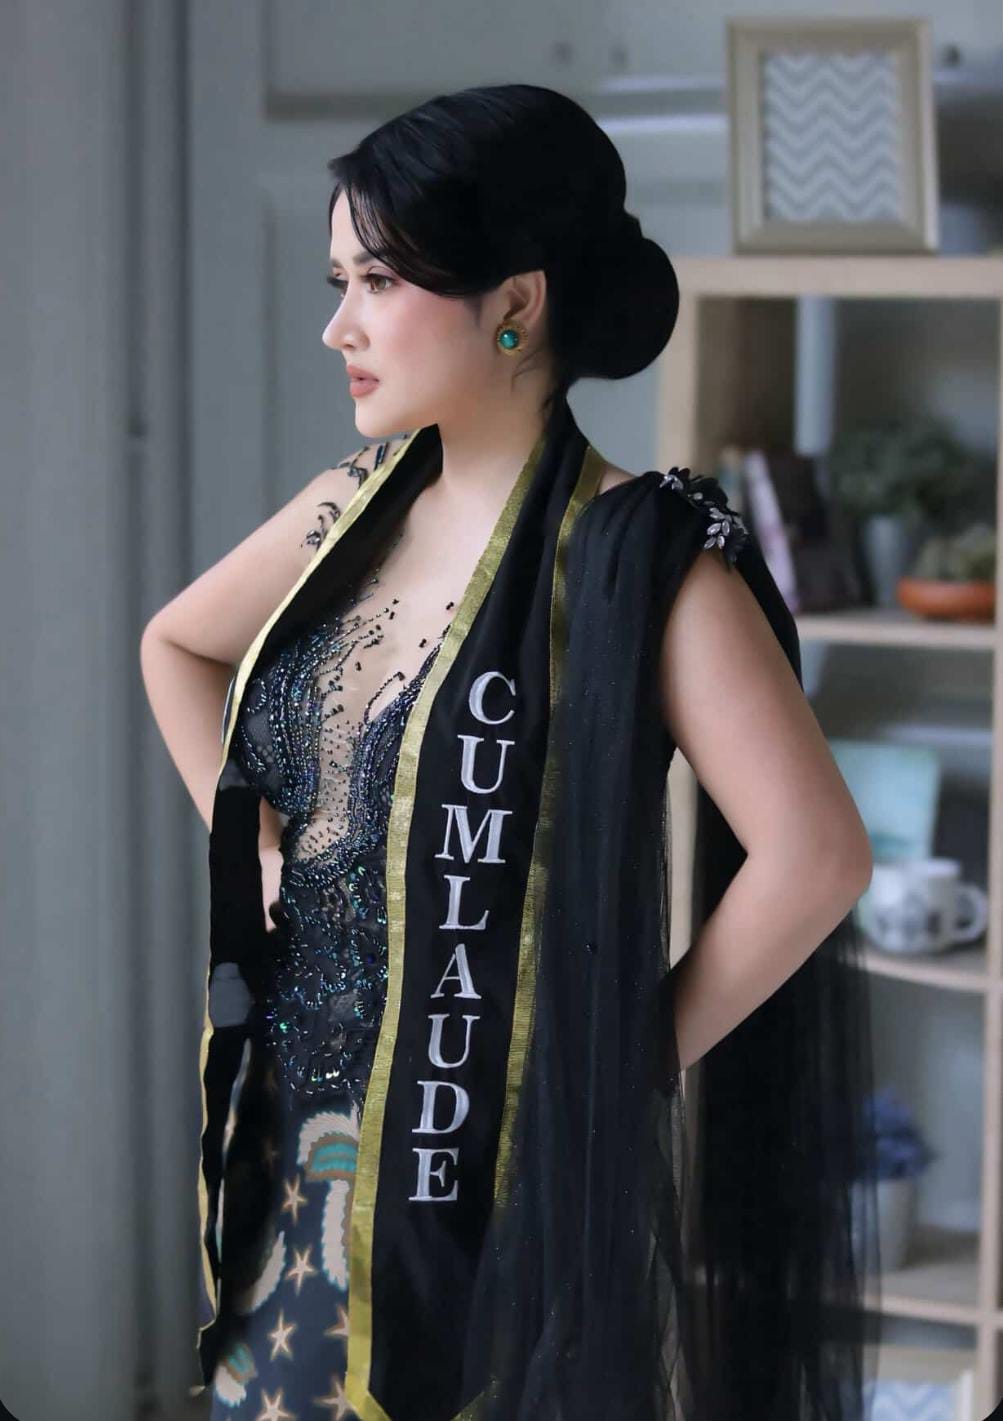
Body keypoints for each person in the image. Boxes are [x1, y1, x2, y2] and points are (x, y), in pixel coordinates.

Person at [141, 83, 880, 1421]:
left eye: (377, 281)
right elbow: (176, 649)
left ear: (515, 302)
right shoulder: (344, 511)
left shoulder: (637, 564)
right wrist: (258, 845)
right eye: (339, 282)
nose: (339, 326)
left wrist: (621, 1061)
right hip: (290, 1141)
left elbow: (817, 855)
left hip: (480, 1173)